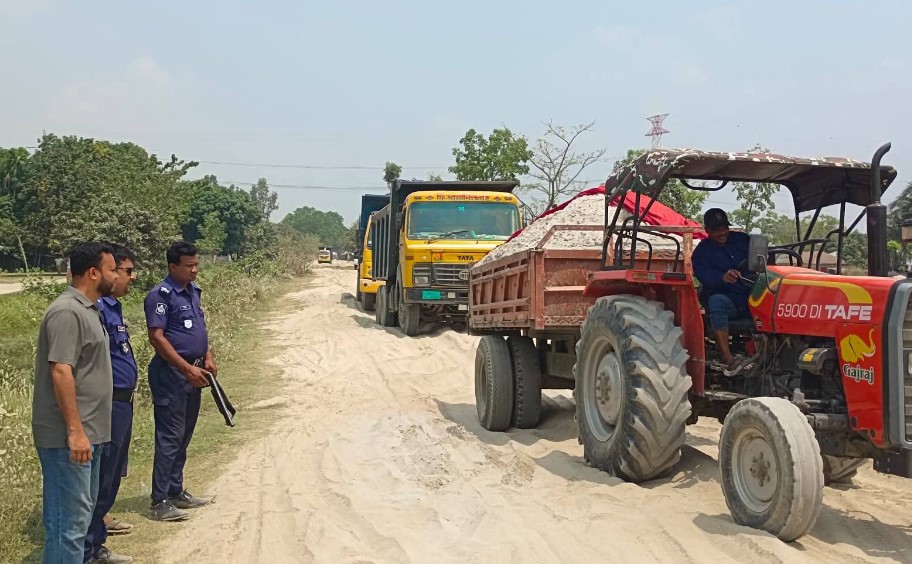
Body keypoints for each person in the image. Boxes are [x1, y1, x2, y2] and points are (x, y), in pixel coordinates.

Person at [31, 242, 118, 563]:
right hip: (69, 438)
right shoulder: (67, 312)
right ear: (93, 273)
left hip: (90, 434)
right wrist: (75, 431)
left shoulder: (88, 309)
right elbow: (61, 371)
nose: (116, 275)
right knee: (66, 524)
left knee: (79, 519)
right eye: (112, 269)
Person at [144, 241, 214, 521]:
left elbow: (200, 327)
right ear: (173, 266)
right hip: (171, 375)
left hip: (195, 373)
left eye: (196, 264)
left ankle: (175, 490)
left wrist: (208, 355)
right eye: (189, 266)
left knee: (184, 434)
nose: (195, 269)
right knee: (170, 437)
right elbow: (157, 337)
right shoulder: (160, 296)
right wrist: (185, 367)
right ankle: (158, 500)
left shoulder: (193, 292)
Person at [83, 244, 137, 564]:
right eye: (124, 270)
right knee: (101, 477)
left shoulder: (114, 307)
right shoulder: (97, 308)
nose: (128, 277)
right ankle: (89, 548)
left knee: (114, 473)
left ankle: (97, 541)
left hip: (123, 403)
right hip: (107, 403)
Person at [692, 208, 753, 374]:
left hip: (750, 296)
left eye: (724, 228)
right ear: (707, 231)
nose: (722, 233)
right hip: (728, 300)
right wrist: (722, 277)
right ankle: (728, 358)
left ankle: (768, 355)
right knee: (717, 302)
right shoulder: (702, 252)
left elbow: (762, 260)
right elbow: (703, 274)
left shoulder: (744, 240)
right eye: (716, 230)